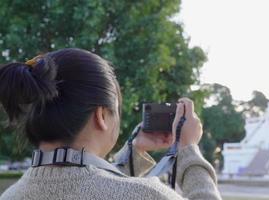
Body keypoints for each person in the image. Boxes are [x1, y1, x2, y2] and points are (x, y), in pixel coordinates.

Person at [0, 48, 221, 200]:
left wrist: (133, 152)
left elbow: (83, 185)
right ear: (101, 116)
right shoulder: (147, 195)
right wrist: (188, 150)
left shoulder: (10, 196)